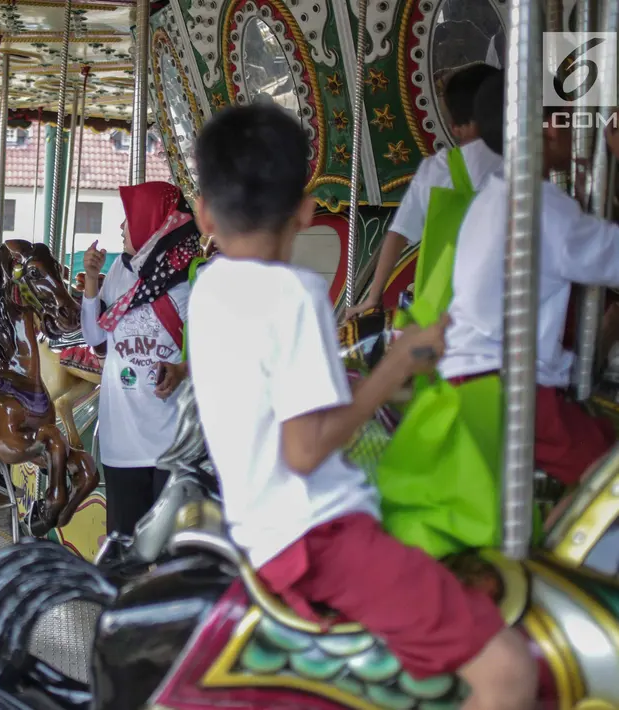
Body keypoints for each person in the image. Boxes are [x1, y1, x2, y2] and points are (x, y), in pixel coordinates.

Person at [187, 103, 536, 708]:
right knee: (508, 669)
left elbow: (278, 408)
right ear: (306, 209)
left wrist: (380, 379)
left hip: (259, 523)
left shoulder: (211, 286)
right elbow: (305, 449)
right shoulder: (294, 294)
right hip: (318, 535)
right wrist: (398, 367)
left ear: (203, 212)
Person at [441, 73, 619, 489]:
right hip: (507, 384)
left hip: (479, 375)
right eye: (567, 117)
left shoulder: (497, 195)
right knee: (605, 477)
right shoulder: (542, 208)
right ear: (550, 128)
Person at [80, 181, 199, 540]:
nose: (120, 228)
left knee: (169, 551)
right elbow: (94, 337)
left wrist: (182, 369)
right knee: (123, 548)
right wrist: (90, 281)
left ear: (153, 222)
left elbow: (213, 351)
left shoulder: (191, 278)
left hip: (171, 439)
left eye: (128, 219)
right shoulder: (119, 271)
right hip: (122, 438)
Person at [344, 63, 501, 320]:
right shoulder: (519, 163)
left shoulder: (436, 170)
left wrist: (373, 297)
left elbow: (399, 232)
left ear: (455, 126)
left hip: (444, 315)